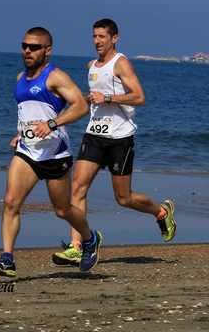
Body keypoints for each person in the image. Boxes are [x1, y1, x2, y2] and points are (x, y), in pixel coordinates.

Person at [52, 18, 176, 266]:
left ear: (114, 38)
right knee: (78, 187)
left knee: (124, 198)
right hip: (94, 134)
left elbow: (139, 97)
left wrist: (107, 97)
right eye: (94, 36)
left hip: (120, 138)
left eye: (102, 37)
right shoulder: (92, 65)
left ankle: (161, 212)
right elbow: (94, 97)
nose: (97, 41)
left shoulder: (121, 64)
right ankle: (78, 246)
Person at [0, 27, 103, 277]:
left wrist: (52, 124)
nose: (28, 50)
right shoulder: (20, 78)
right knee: (10, 202)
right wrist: (21, 133)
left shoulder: (55, 77)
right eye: (25, 46)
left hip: (55, 154)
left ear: (47, 50)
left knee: (62, 211)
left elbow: (80, 106)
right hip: (27, 152)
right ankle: (7, 259)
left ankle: (89, 239)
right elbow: (28, 113)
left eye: (34, 47)